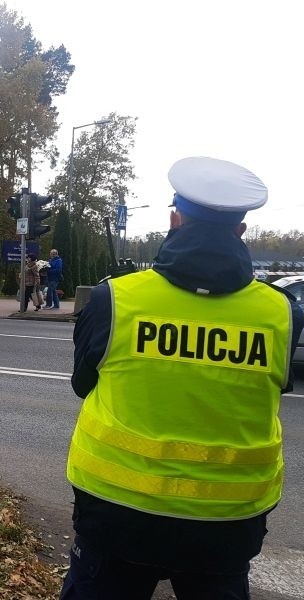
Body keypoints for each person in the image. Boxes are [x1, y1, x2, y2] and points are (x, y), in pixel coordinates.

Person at [61, 157, 304, 600]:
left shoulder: (115, 299)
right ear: (241, 231)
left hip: (117, 517)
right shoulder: (283, 313)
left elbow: (82, 385)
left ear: (175, 220)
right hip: (225, 527)